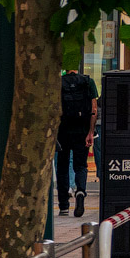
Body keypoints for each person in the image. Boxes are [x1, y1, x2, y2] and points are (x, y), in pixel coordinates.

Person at [56, 63, 98, 219]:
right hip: (81, 130)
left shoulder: (58, 82)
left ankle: (63, 205)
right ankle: (80, 192)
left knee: (62, 165)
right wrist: (91, 132)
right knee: (80, 165)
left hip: (62, 130)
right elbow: (93, 109)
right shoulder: (88, 82)